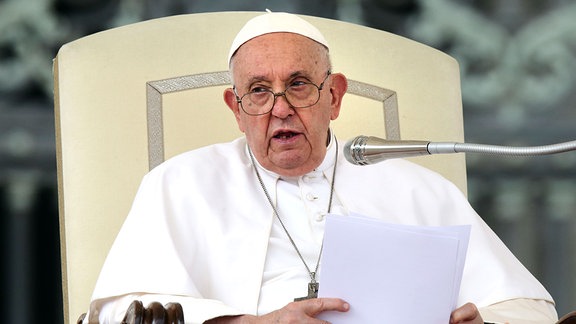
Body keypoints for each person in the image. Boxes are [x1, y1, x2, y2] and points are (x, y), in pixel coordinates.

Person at [84, 12, 557, 323]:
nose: (281, 107)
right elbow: (121, 314)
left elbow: (529, 307)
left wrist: (484, 320)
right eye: (259, 91)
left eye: (299, 84)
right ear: (235, 106)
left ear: (334, 97)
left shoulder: (417, 188)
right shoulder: (179, 184)